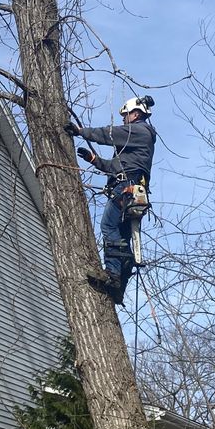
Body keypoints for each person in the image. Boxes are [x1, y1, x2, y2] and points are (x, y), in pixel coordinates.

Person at [65, 96, 156, 304]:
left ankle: (113, 275)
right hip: (129, 187)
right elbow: (117, 167)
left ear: (136, 114)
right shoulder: (135, 144)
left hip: (127, 189)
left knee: (108, 226)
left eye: (126, 115)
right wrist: (95, 160)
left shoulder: (139, 130)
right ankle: (118, 288)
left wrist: (80, 132)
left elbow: (109, 134)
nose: (124, 120)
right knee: (122, 236)